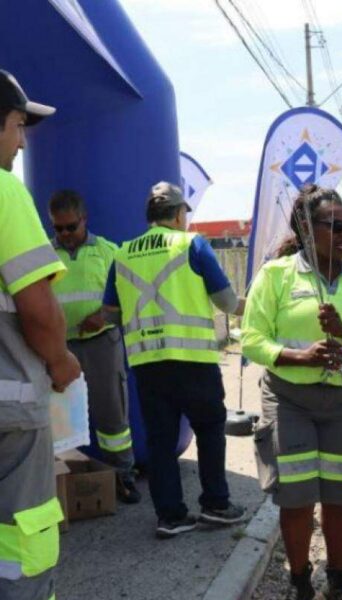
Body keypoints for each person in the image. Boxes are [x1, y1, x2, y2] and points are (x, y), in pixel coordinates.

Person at [241, 184, 342, 600]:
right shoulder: (276, 276)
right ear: (306, 230)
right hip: (289, 399)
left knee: (341, 495)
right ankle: (300, 580)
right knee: (297, 497)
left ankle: (339, 580)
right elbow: (251, 339)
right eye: (335, 225)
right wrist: (297, 356)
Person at [103, 181, 246, 538]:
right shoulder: (191, 243)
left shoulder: (121, 255)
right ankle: (216, 505)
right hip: (193, 359)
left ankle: (170, 516)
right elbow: (227, 303)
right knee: (211, 429)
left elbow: (109, 311)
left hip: (147, 364)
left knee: (160, 441)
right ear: (180, 214)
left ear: (150, 216)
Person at [0, 70, 81, 600]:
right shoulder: (4, 190)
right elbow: (37, 306)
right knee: (23, 543)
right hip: (10, 410)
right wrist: (60, 362)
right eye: (16, 125)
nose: (23, 140)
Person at [48, 189, 140, 504]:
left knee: (112, 414)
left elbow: (130, 297)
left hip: (102, 343)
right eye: (58, 228)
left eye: (70, 227)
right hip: (58, 348)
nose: (64, 235)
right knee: (56, 416)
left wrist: (103, 316)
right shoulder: (44, 256)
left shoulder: (108, 252)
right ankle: (58, 484)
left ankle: (122, 477)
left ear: (84, 219)